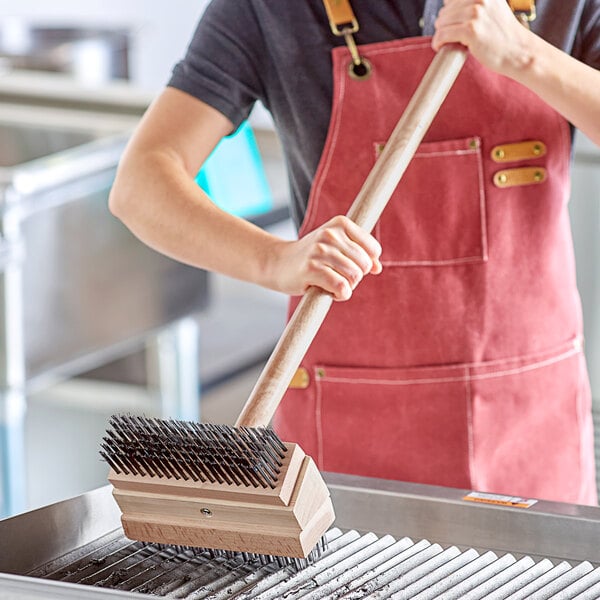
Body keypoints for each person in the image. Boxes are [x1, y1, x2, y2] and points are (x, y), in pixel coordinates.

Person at [109, 0, 600, 505]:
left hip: (527, 419)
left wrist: (523, 55)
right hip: (346, 425)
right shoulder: (269, 10)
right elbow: (142, 182)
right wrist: (274, 260)